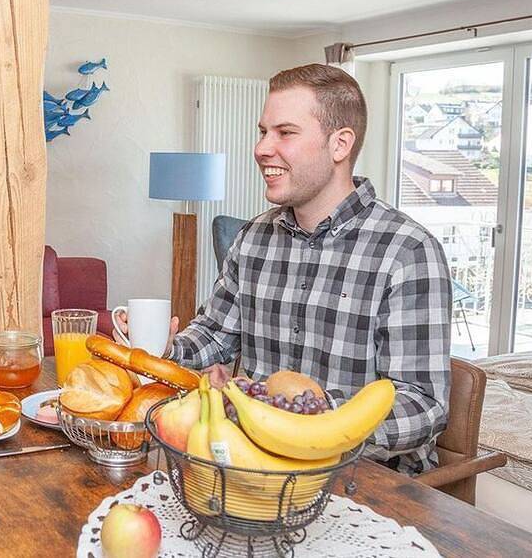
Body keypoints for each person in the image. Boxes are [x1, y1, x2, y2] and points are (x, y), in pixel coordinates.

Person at [118, 64, 451, 475]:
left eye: (285, 133)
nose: (261, 148)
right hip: (256, 463)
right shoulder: (253, 237)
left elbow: (423, 405)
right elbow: (215, 333)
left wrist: (308, 417)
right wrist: (165, 350)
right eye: (263, 132)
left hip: (366, 479)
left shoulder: (407, 251)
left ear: (340, 144)